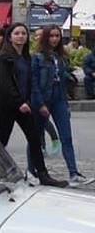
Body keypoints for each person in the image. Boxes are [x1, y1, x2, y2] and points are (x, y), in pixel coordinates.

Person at [0, 23, 64, 187]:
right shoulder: (4, 58)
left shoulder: (26, 58)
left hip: (24, 105)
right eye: (17, 33)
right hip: (8, 106)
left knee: (34, 139)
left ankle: (43, 175)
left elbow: (30, 81)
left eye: (23, 33)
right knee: (2, 140)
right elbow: (6, 84)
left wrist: (29, 102)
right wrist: (19, 102)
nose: (20, 36)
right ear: (10, 37)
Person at [31, 26, 93, 187]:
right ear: (46, 37)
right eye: (51, 36)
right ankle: (31, 171)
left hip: (59, 99)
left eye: (57, 36)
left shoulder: (60, 57)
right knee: (36, 138)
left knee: (66, 137)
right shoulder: (37, 57)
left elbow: (63, 81)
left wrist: (65, 102)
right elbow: (34, 83)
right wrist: (39, 103)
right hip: (43, 99)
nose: (54, 38)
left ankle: (73, 173)